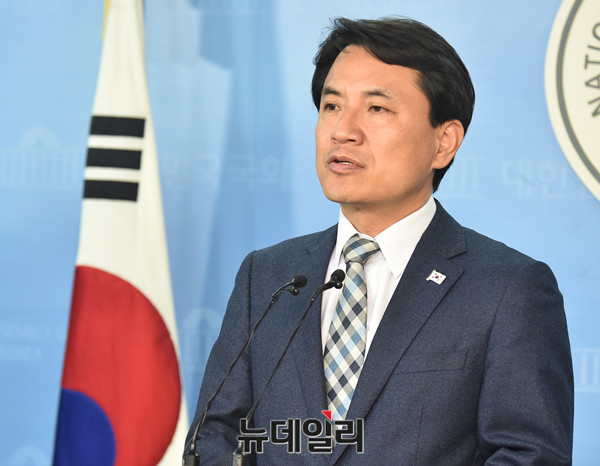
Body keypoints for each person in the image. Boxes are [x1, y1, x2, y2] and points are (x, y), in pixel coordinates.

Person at [185, 17, 574, 465]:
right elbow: (215, 436)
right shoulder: (269, 276)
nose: (343, 130)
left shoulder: (506, 289)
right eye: (332, 105)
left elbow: (528, 455)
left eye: (376, 109)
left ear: (444, 142)